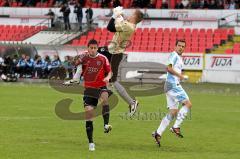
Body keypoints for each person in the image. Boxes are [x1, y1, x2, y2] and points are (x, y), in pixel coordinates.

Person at [152, 40, 193, 147]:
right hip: (172, 85)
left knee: (173, 112)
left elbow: (173, 69)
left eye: (183, 46)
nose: (181, 48)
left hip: (169, 85)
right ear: (175, 46)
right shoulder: (174, 55)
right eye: (179, 45)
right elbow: (168, 68)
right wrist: (180, 76)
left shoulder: (178, 58)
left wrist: (180, 76)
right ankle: (176, 127)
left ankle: (158, 133)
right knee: (188, 104)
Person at [75, 39, 112, 151]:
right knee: (89, 115)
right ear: (88, 48)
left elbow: (109, 71)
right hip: (89, 89)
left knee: (105, 98)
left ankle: (106, 124)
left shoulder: (103, 58)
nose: (93, 50)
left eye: (95, 48)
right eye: (91, 48)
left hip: (101, 86)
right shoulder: (84, 59)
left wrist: (108, 77)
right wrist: (74, 78)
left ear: (97, 48)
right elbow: (77, 71)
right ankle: (91, 143)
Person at [106, 7, 144, 116]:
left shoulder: (129, 26)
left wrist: (115, 16)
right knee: (108, 77)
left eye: (132, 14)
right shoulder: (128, 24)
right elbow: (118, 24)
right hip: (112, 51)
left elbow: (110, 27)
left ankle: (132, 102)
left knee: (113, 80)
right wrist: (118, 16)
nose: (130, 15)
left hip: (116, 53)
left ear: (135, 18)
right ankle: (106, 93)